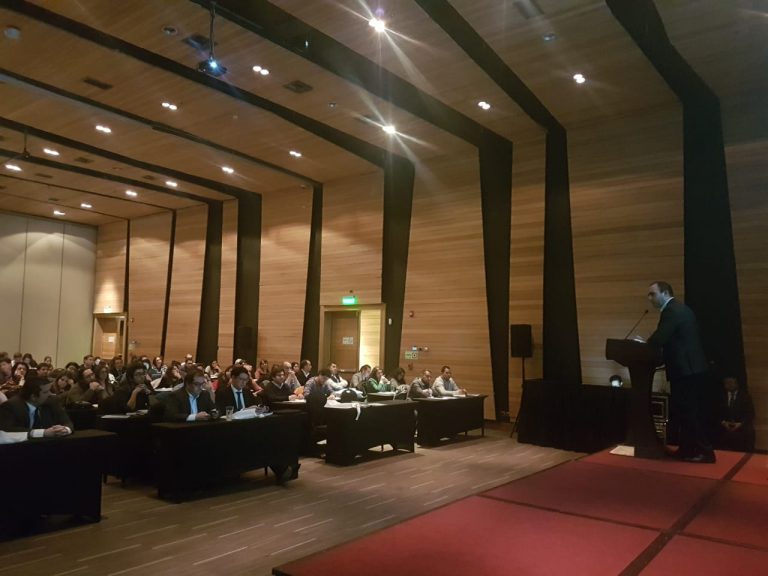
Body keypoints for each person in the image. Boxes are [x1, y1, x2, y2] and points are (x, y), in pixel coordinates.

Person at [646, 281, 714, 463]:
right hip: (690, 369)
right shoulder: (681, 309)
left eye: (653, 294)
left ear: (665, 293)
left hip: (685, 370)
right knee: (685, 412)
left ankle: (705, 452)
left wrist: (645, 345)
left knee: (689, 412)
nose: (649, 298)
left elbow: (660, 337)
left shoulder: (671, 311)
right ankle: (687, 450)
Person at [0, 376, 72, 437]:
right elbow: (8, 430)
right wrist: (43, 433)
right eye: (45, 392)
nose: (50, 394)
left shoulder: (51, 401)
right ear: (33, 397)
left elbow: (68, 423)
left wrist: (65, 429)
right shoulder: (11, 406)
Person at [717, 376, 755, 452]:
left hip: (740, 424)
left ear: (736, 384)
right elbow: (716, 413)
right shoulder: (720, 397)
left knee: (749, 430)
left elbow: (750, 414)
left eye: (731, 382)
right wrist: (724, 423)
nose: (730, 385)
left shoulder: (745, 396)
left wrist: (740, 424)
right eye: (727, 383)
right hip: (725, 425)